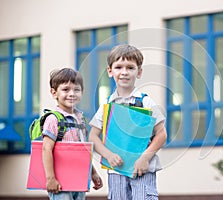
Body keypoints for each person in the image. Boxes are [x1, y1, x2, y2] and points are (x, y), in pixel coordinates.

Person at [89, 44, 167, 200]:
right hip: (116, 171)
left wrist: (145, 157)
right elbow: (92, 137)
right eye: (118, 67)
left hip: (142, 170)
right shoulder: (106, 106)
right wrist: (108, 155)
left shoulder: (146, 102)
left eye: (130, 68)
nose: (124, 72)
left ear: (139, 72)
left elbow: (161, 134)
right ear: (110, 71)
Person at [42, 68, 103, 200]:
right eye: (65, 89)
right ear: (54, 93)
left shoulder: (80, 119)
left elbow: (83, 151)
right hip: (60, 183)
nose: (72, 93)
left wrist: (93, 173)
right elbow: (46, 149)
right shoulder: (53, 119)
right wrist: (50, 178)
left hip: (79, 179)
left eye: (76, 89)